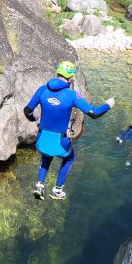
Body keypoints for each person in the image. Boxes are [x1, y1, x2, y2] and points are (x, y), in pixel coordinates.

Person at [23, 60, 115, 200]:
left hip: (42, 138)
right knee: (69, 158)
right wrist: (108, 105)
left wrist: (33, 119)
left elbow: (27, 110)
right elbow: (94, 113)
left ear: (58, 73)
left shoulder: (42, 89)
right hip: (60, 141)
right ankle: (57, 190)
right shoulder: (72, 95)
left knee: (47, 154)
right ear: (71, 78)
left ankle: (39, 185)